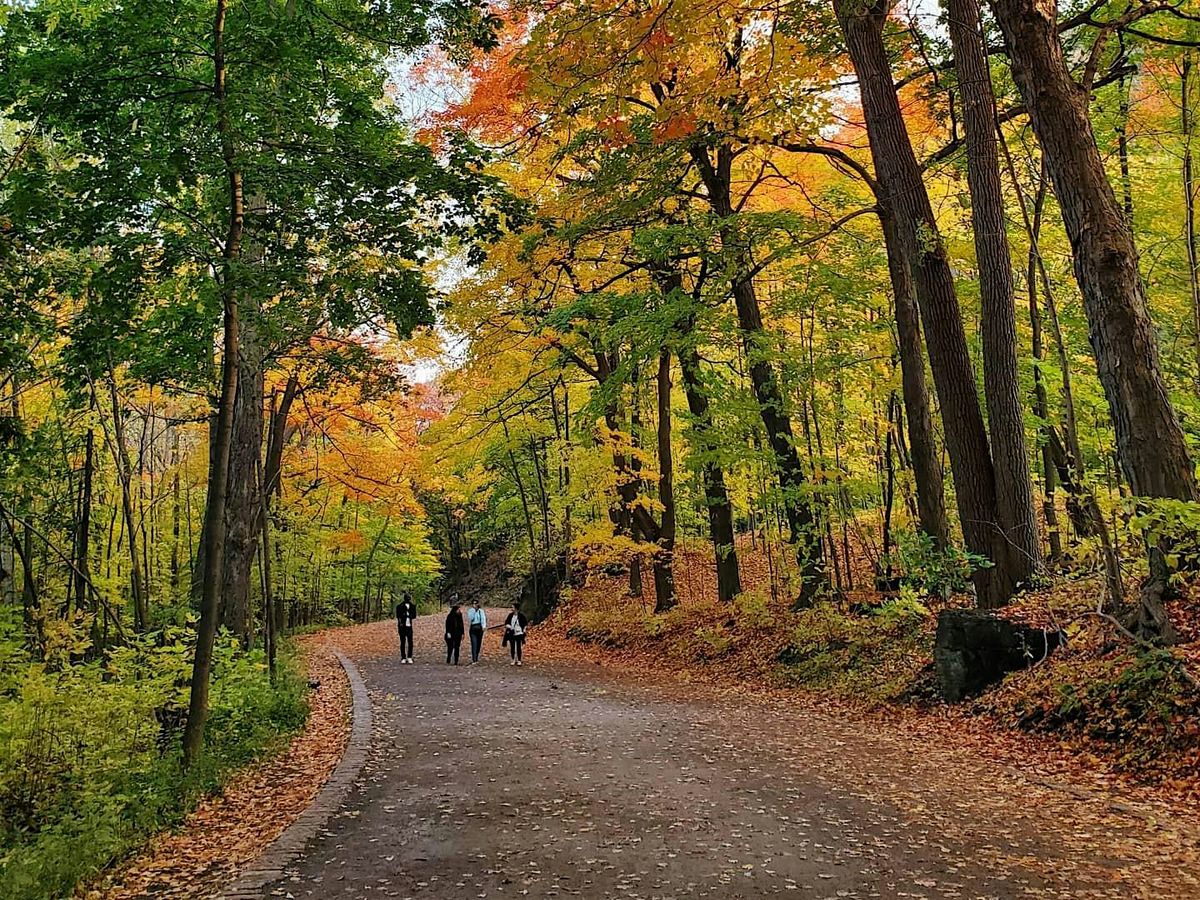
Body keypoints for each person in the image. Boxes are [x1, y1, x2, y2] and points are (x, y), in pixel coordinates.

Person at [503, 602, 529, 666]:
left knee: (518, 647)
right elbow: (506, 623)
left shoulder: (521, 616)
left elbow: (525, 623)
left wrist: (524, 629)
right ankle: (513, 659)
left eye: (512, 607)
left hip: (519, 633)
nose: (512, 608)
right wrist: (509, 626)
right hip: (512, 633)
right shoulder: (510, 615)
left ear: (516, 608)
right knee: (512, 646)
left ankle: (519, 660)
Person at [395, 592, 417, 664]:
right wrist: (403, 616)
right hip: (402, 626)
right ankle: (403, 657)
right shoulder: (400, 606)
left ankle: (409, 656)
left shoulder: (412, 606)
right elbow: (398, 616)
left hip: (409, 626)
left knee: (410, 642)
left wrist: (408, 615)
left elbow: (414, 616)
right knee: (403, 642)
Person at [467, 599, 487, 664]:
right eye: (473, 604)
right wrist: (474, 611)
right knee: (474, 643)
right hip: (473, 627)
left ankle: (477, 656)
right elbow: (470, 618)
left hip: (479, 628)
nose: (474, 605)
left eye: (476, 604)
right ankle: (474, 659)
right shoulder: (470, 610)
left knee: (478, 643)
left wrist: (483, 626)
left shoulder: (481, 611)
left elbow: (483, 618)